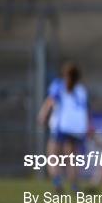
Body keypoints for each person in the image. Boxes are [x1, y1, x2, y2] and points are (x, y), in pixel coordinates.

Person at [38, 62, 89, 193]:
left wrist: (42, 116)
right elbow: (85, 111)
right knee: (72, 158)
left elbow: (50, 102)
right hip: (77, 127)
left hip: (62, 126)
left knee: (53, 156)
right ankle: (75, 186)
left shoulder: (58, 85)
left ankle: (57, 182)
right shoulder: (81, 90)